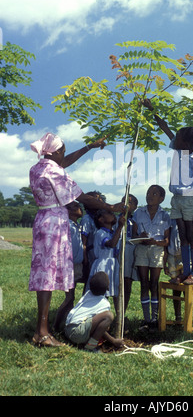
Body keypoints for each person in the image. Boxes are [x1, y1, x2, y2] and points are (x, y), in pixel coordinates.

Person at [29, 132, 125, 347]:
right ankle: (42, 333)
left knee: (45, 275)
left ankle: (42, 330)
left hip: (43, 220)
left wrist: (89, 147)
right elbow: (80, 196)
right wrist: (110, 207)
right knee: (47, 278)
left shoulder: (38, 167)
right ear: (54, 152)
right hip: (54, 223)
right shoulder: (54, 171)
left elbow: (63, 162)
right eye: (62, 150)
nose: (64, 154)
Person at [143, 99, 193, 285]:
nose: (174, 140)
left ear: (186, 142)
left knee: (191, 235)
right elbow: (164, 126)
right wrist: (152, 109)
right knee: (182, 235)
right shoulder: (179, 151)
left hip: (189, 200)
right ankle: (185, 272)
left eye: (177, 138)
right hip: (176, 199)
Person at [132, 185, 171, 331]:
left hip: (157, 250)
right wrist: (140, 237)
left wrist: (155, 242)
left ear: (161, 198)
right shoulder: (138, 213)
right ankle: (146, 318)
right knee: (144, 283)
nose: (150, 196)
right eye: (148, 193)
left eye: (154, 194)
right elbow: (133, 236)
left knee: (154, 283)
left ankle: (154, 319)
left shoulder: (165, 216)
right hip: (142, 249)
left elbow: (167, 241)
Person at [64, 271, 124, 352]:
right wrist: (113, 341)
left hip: (67, 329)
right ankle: (90, 347)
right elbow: (101, 328)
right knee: (108, 316)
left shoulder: (88, 294)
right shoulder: (104, 303)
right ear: (107, 289)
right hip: (77, 332)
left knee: (100, 322)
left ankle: (83, 342)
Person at [85, 209, 125, 314]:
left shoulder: (111, 232)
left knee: (115, 290)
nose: (113, 215)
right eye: (109, 213)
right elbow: (111, 244)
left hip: (112, 264)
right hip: (103, 265)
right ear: (101, 220)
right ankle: (101, 315)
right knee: (103, 291)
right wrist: (120, 226)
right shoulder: (100, 233)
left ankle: (119, 318)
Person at [53, 200, 85, 332]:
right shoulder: (68, 227)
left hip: (76, 264)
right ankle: (55, 326)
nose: (80, 208)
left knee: (71, 298)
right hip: (69, 266)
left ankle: (65, 325)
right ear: (69, 211)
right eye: (76, 207)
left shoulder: (75, 225)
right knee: (69, 297)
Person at [81, 191, 106, 283]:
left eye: (100, 199)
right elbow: (84, 241)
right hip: (91, 253)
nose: (99, 201)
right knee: (92, 279)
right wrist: (85, 258)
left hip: (99, 253)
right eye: (95, 199)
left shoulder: (100, 218)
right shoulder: (87, 219)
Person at [120, 194, 139, 314]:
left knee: (127, 283)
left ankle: (122, 312)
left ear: (135, 207)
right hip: (118, 254)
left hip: (130, 254)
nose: (126, 204)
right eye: (124, 201)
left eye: (130, 203)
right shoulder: (116, 218)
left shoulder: (135, 221)